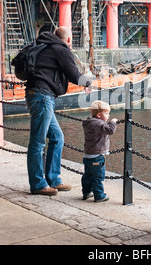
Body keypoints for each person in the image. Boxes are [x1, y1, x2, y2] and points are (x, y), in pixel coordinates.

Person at [26, 26, 92, 196]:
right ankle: (38, 184)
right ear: (68, 40)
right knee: (38, 141)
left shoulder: (44, 46)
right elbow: (74, 74)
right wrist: (88, 82)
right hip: (42, 97)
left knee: (57, 137)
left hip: (39, 95)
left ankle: (53, 179)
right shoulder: (61, 49)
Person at [81, 100, 118, 202]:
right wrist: (113, 122)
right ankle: (99, 195)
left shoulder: (89, 123)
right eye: (106, 113)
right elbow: (110, 130)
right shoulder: (99, 124)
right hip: (97, 156)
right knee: (98, 177)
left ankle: (86, 192)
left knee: (87, 175)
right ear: (98, 115)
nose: (109, 115)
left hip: (87, 155)